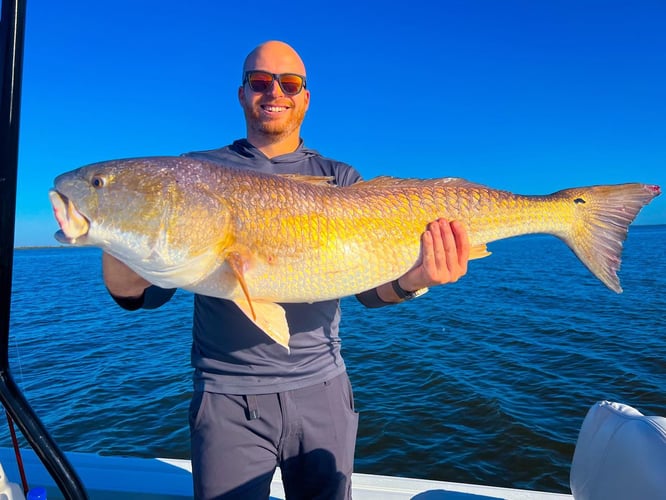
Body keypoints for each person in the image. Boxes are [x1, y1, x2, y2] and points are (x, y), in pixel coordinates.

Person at [103, 40, 470, 500]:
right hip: (226, 395)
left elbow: (369, 292)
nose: (274, 92)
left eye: (289, 83)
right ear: (242, 94)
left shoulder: (340, 179)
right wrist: (113, 229)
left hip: (323, 390)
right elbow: (138, 294)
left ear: (305, 97)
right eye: (260, 81)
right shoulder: (195, 172)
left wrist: (417, 280)